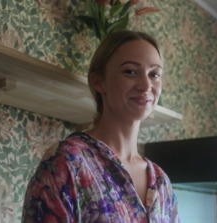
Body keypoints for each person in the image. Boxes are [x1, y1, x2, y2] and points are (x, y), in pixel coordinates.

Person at [21, 30, 179, 222]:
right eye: (130, 71)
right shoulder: (67, 162)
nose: (146, 85)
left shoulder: (162, 182)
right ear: (98, 81)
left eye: (154, 74)